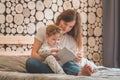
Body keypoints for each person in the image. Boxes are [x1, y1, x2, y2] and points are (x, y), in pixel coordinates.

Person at [26, 9, 95, 76]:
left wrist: (76, 58)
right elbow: (33, 54)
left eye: (70, 27)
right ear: (60, 19)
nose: (66, 28)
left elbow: (71, 60)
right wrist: (51, 59)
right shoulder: (44, 30)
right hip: (46, 63)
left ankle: (78, 73)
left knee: (70, 64)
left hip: (64, 65)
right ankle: (68, 73)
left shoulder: (71, 40)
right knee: (31, 63)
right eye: (65, 23)